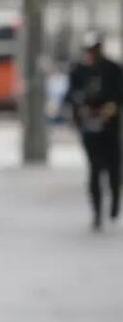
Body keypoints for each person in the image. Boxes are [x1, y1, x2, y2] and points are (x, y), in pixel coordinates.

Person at [65, 31, 123, 231]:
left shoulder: (113, 69)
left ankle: (115, 201)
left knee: (114, 168)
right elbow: (70, 96)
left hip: (110, 125)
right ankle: (97, 212)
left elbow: (118, 94)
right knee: (95, 168)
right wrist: (79, 110)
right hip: (89, 127)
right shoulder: (78, 71)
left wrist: (112, 107)